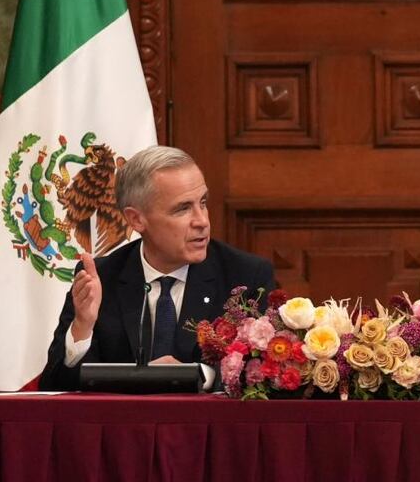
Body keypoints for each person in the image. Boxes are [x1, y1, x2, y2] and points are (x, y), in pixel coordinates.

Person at [39, 146, 275, 391]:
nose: (202, 221)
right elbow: (53, 387)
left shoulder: (245, 278)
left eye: (202, 203)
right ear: (136, 219)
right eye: (183, 209)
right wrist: (82, 327)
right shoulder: (102, 278)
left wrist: (199, 375)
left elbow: (262, 375)